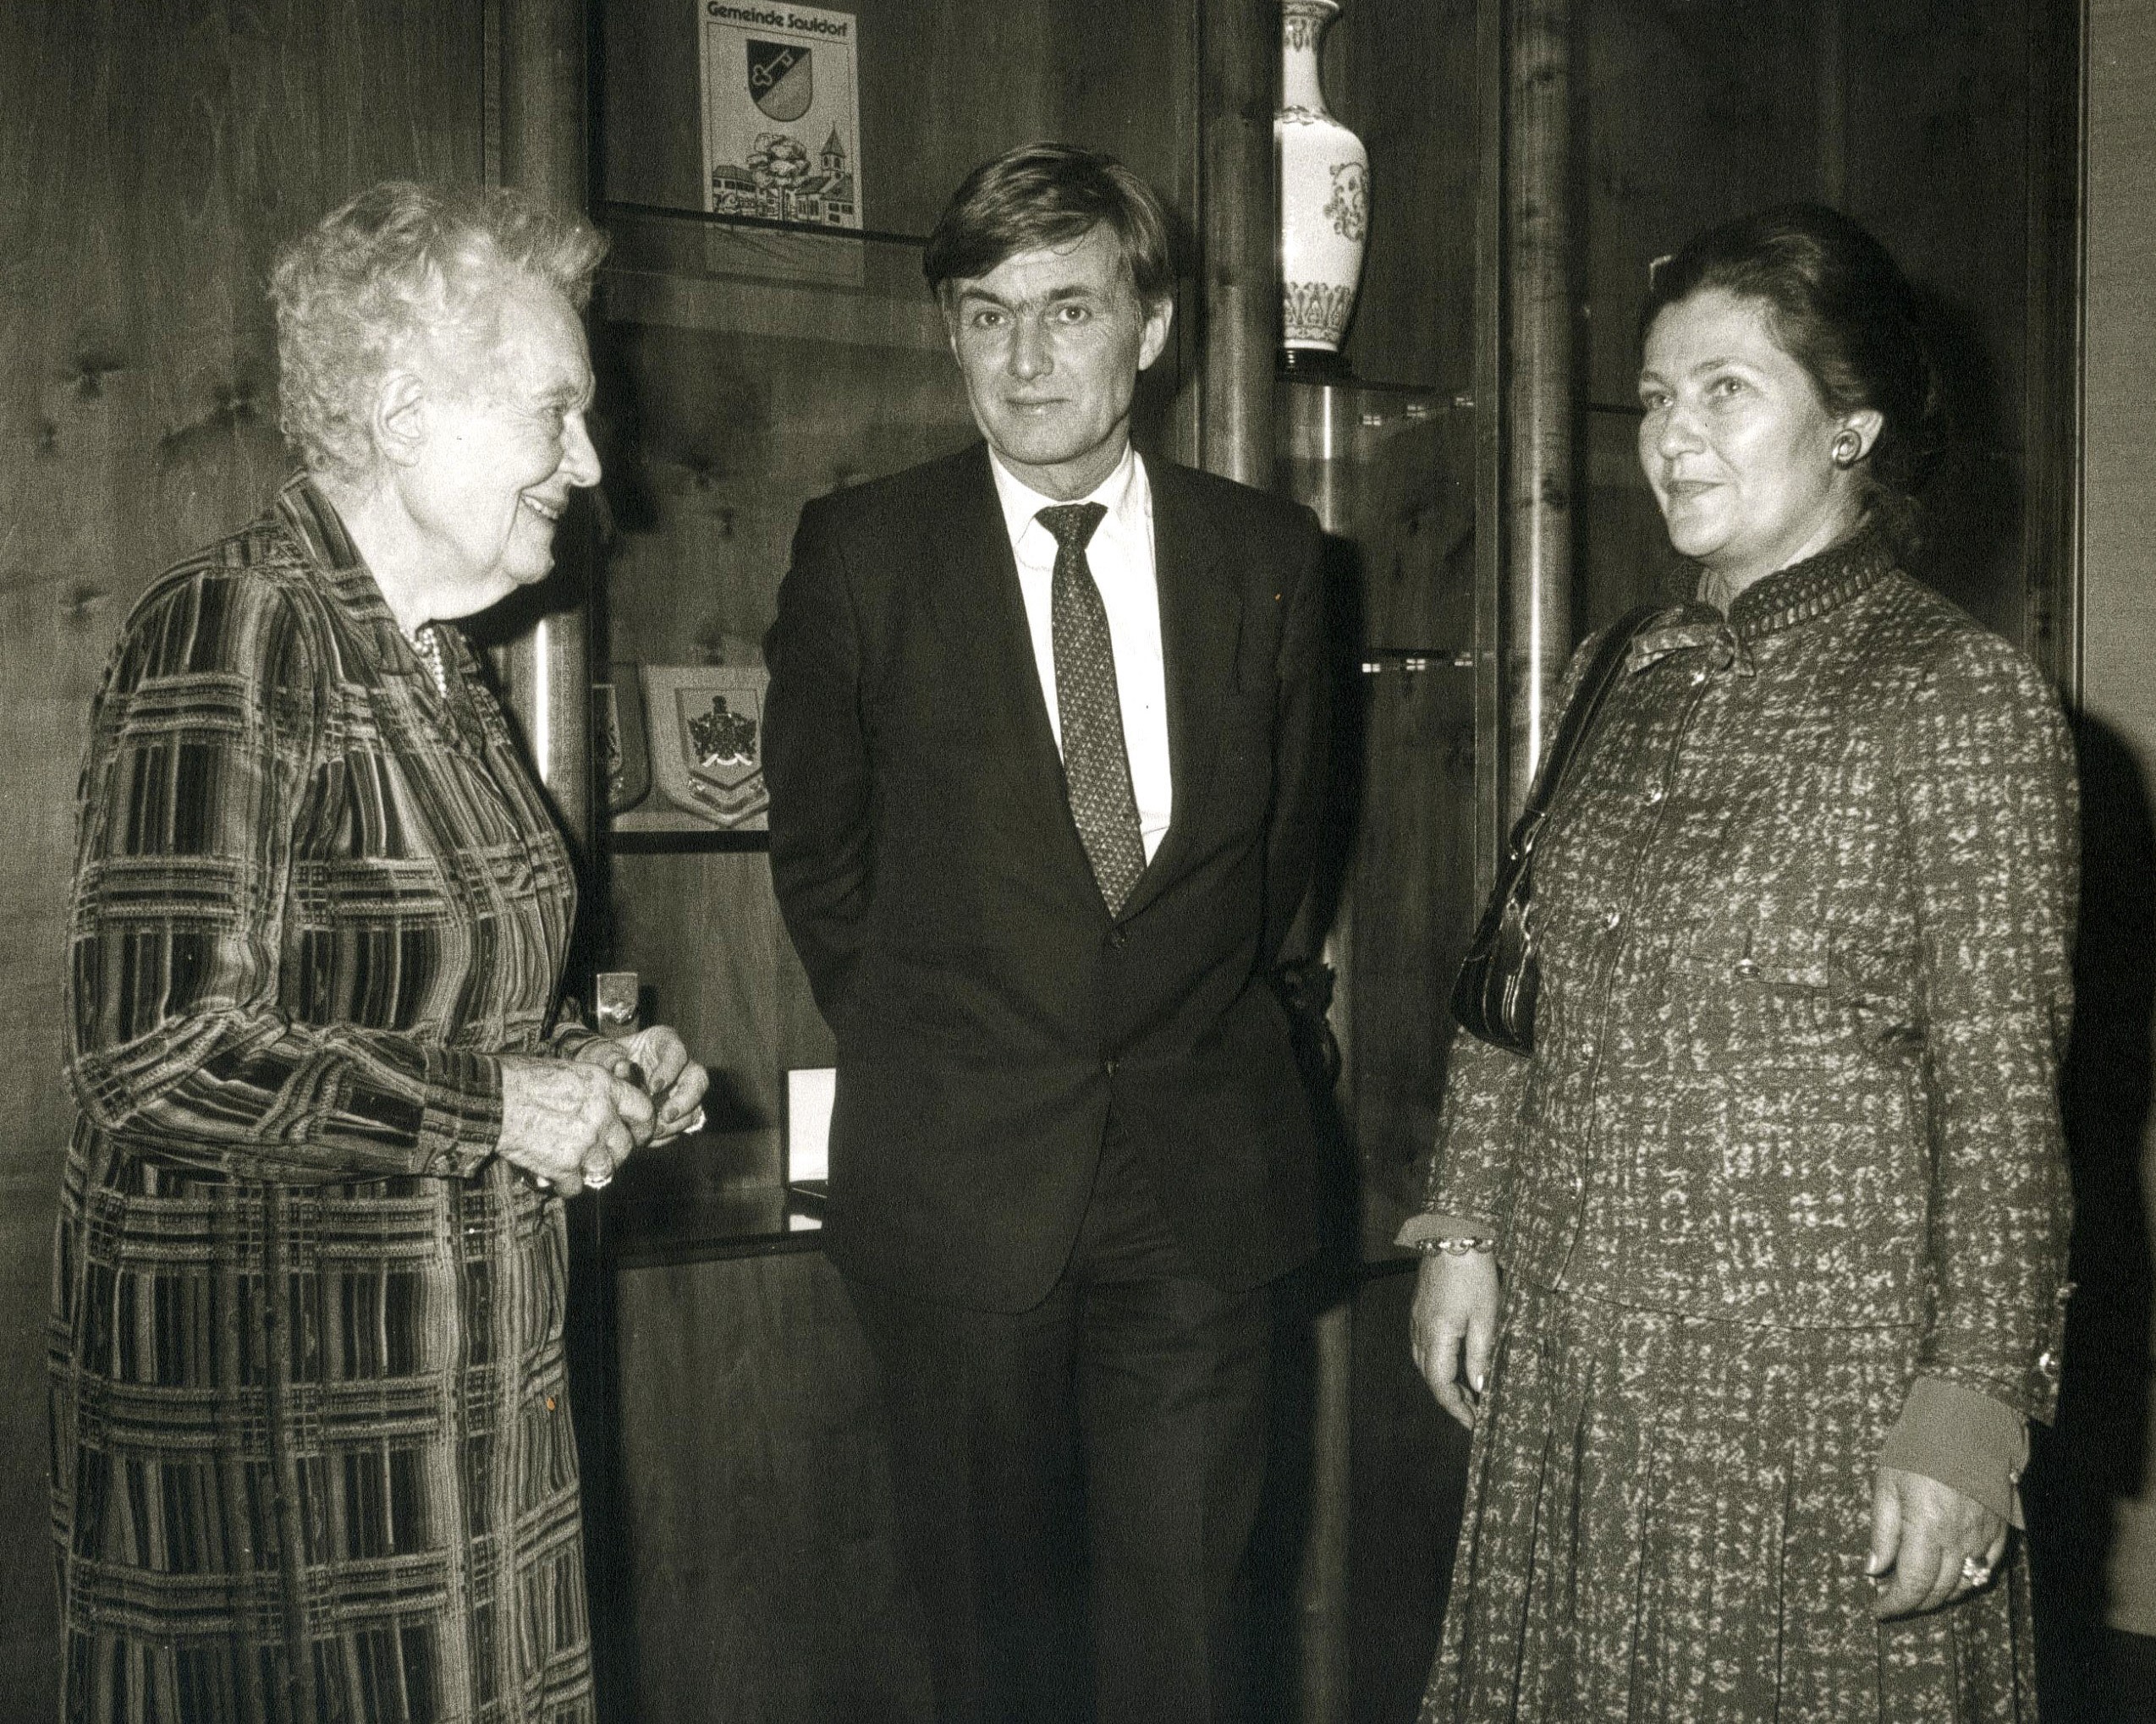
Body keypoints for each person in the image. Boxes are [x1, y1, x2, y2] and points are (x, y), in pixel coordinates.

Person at [49, 181, 709, 1723]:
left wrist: (589, 1077)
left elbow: (432, 1012)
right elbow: (154, 1050)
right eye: (554, 412)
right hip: (289, 1463)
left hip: (464, 1424)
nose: (591, 462)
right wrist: (504, 1110)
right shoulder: (230, 630)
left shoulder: (438, 665)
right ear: (406, 411)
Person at [1406, 204, 2076, 1721]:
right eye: (1654, 396)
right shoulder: (1616, 669)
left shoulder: (1961, 699)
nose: (1672, 436)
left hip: (1810, 1392)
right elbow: (1517, 977)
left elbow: (2003, 1106)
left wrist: (1968, 1411)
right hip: (1582, 1362)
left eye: (1727, 391)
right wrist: (1463, 1217)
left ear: (1851, 428)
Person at [762, 142, 1329, 1724]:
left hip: (1202, 1188)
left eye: (1068, 310)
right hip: (958, 1190)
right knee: (992, 1651)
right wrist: (957, 1053)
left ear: (1151, 326)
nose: (1024, 360)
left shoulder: (1272, 563)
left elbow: (1284, 866)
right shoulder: (862, 556)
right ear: (950, 333)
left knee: (1196, 1649)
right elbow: (822, 864)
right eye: (986, 314)